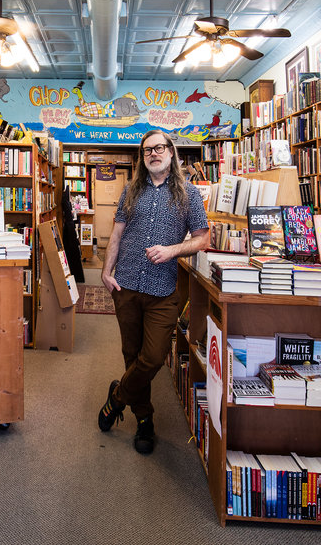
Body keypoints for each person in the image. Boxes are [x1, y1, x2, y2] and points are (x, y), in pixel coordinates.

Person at [98, 130, 210, 454]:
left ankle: (117, 397)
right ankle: (145, 420)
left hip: (163, 290)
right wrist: (106, 271)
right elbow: (116, 234)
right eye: (147, 150)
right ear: (142, 157)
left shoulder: (188, 193)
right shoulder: (130, 192)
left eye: (159, 147)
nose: (153, 153)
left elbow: (203, 239)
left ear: (171, 153)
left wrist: (173, 250)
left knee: (154, 357)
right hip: (127, 286)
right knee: (132, 355)